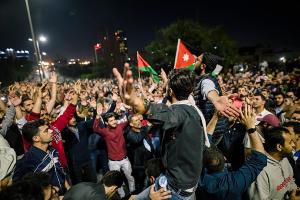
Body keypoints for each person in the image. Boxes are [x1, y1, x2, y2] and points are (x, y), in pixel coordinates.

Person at [113, 65, 206, 199]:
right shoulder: (192, 107)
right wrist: (167, 83)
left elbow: (169, 115)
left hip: (173, 192)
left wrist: (135, 102)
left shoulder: (180, 113)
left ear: (170, 91)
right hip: (179, 182)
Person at [198, 104, 267, 200]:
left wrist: (216, 117)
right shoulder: (233, 183)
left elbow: (205, 141)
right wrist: (251, 127)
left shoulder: (196, 176)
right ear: (225, 159)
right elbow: (259, 160)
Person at [193, 52, 239, 145]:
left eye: (197, 60)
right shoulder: (202, 79)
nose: (194, 61)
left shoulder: (206, 81)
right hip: (215, 130)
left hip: (214, 134)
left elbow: (209, 90)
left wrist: (216, 100)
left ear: (203, 66)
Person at [248, 127, 299, 200]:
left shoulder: (284, 158)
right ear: (279, 147)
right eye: (290, 142)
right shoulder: (260, 171)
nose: (294, 145)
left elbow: (290, 180)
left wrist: (295, 191)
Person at [93, 111, 135, 197]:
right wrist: (97, 117)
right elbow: (95, 129)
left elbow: (128, 121)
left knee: (130, 178)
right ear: (106, 123)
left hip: (124, 159)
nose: (114, 121)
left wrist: (130, 110)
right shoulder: (105, 131)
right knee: (117, 181)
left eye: (114, 119)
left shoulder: (120, 126)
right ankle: (122, 196)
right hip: (113, 162)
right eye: (111, 120)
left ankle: (133, 193)